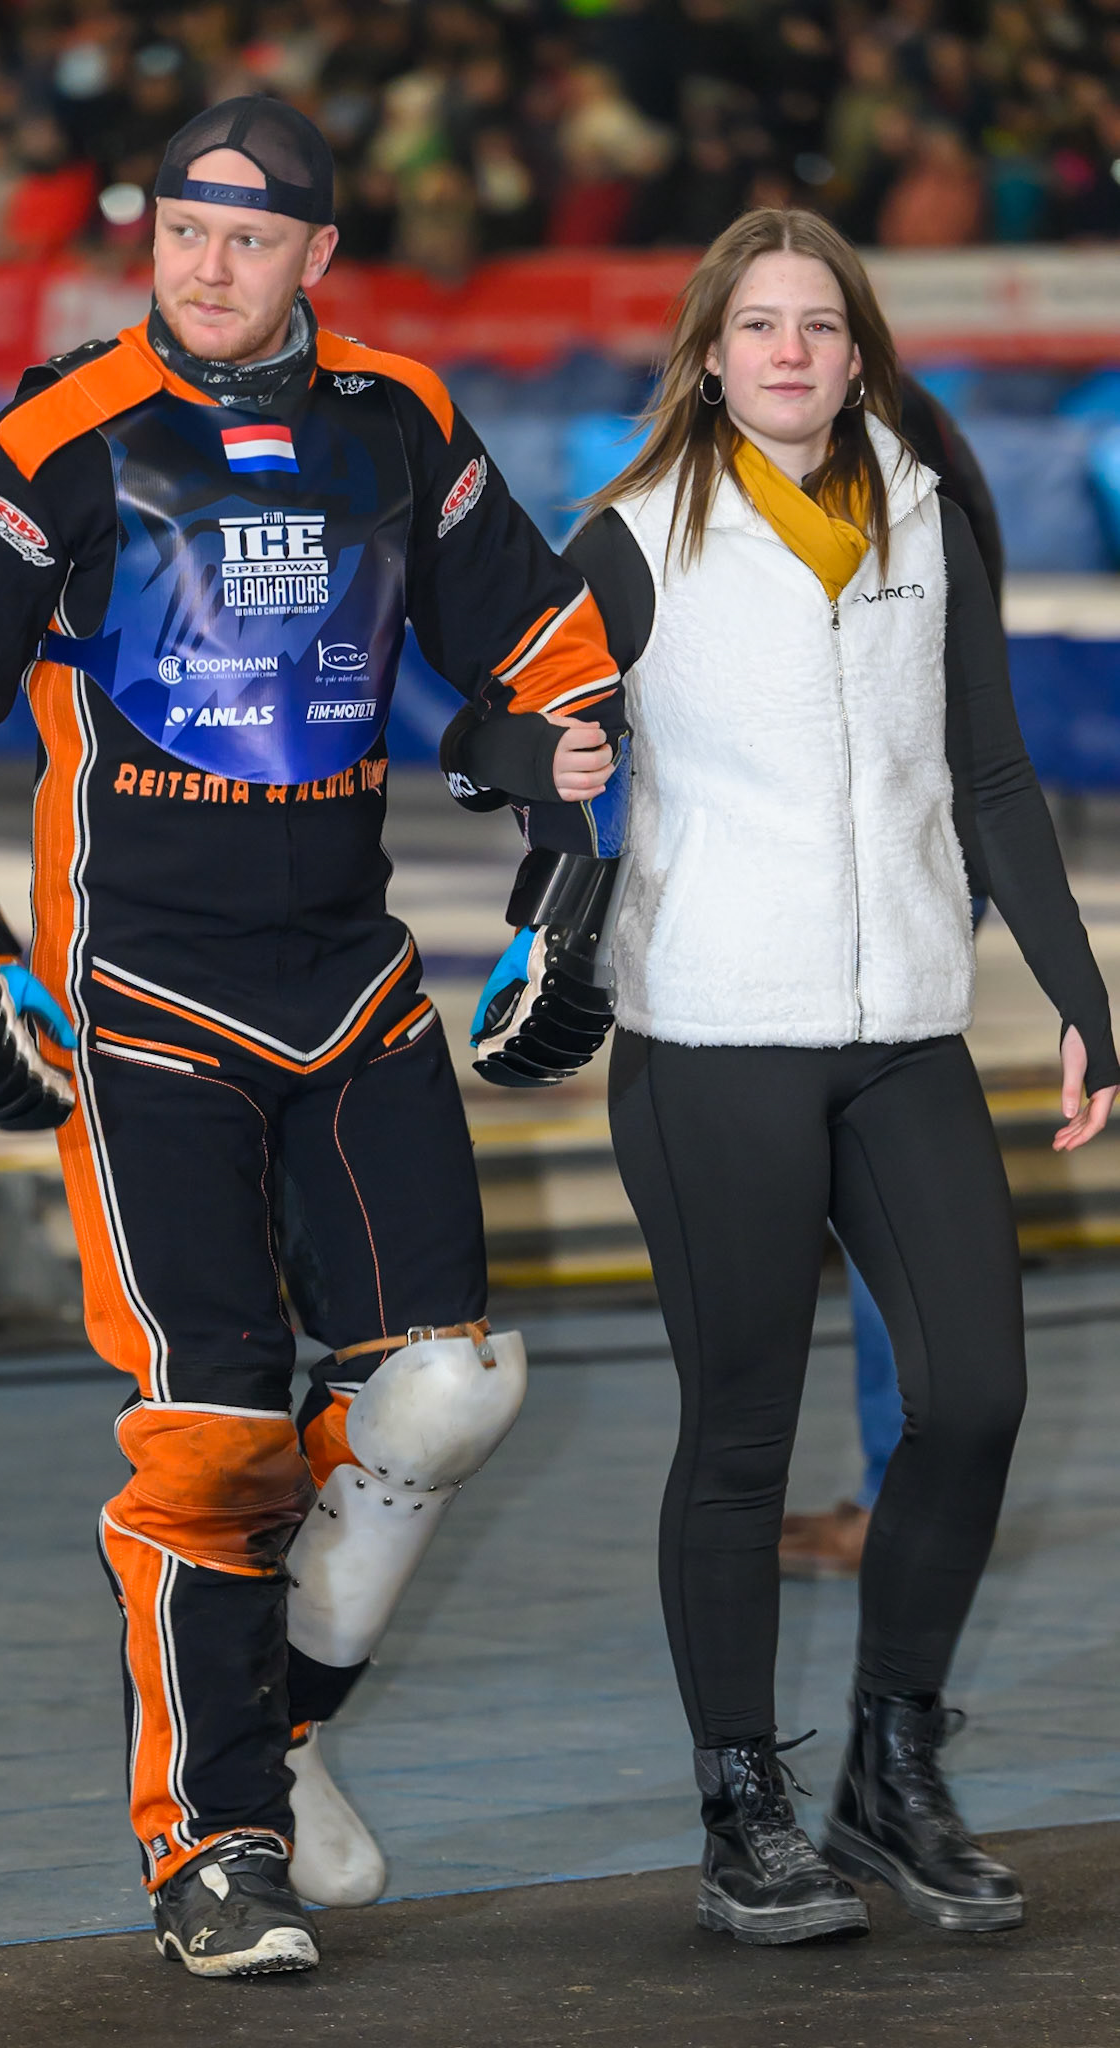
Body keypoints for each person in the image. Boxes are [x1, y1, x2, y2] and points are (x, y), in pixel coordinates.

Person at [0, 96, 623, 1981]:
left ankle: (288, 1735)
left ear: (317, 260)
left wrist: (565, 885)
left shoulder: (403, 422)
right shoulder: (50, 439)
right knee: (207, 1433)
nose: (206, 262)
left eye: (247, 237)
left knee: (447, 1387)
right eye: (182, 227)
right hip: (142, 997)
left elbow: (552, 662)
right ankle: (216, 1848)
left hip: (353, 979)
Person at [449, 206, 1118, 1946]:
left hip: (902, 1033)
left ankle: (891, 1766)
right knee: (740, 1436)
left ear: (859, 345)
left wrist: (1078, 987)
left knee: (974, 1395)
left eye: (822, 323)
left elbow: (990, 775)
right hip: (712, 1045)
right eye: (760, 325)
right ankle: (742, 1800)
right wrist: (545, 744)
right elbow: (476, 723)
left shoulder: (923, 512)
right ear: (710, 352)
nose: (794, 351)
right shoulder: (633, 532)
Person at [780, 373, 1003, 1580]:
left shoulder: (872, 445)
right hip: (909, 840)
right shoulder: (911, 428)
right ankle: (894, 1490)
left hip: (886, 847)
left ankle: (893, 1498)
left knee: (882, 1180)